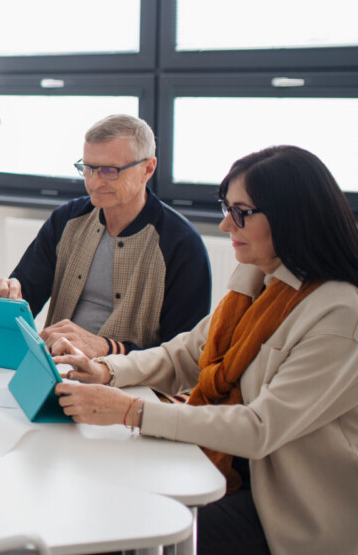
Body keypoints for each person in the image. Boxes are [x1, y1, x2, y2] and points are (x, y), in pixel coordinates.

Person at [52, 146, 358, 555]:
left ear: (291, 217)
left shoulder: (340, 314)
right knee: (99, 492)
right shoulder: (259, 276)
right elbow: (189, 352)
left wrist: (130, 411)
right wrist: (106, 369)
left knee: (121, 525)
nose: (225, 223)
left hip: (285, 510)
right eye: (226, 207)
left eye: (241, 212)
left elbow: (259, 428)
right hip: (229, 466)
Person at [0, 115, 210, 355]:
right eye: (88, 168)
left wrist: (107, 348)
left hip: (130, 386)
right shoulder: (66, 220)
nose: (94, 182)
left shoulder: (182, 245)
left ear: (148, 169)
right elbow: (25, 295)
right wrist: (7, 298)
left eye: (110, 171)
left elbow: (183, 357)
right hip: (58, 367)